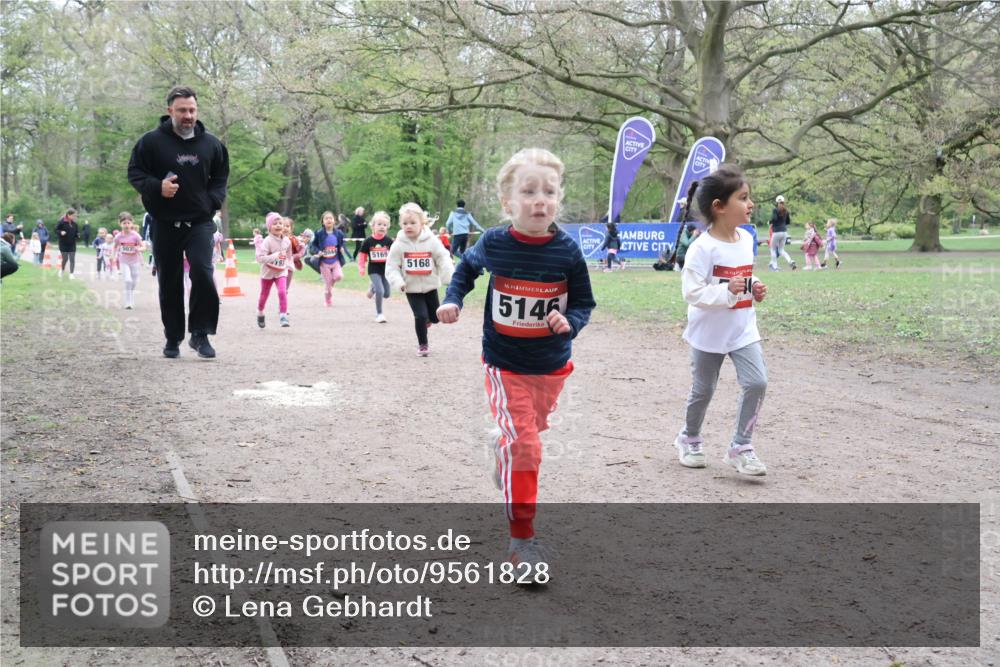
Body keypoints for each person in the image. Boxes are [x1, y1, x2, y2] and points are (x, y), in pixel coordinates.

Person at [437, 148, 596, 571]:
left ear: (559, 198)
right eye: (528, 191)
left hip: (552, 364)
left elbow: (584, 302)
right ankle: (521, 541)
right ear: (508, 203)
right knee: (527, 447)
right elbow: (465, 271)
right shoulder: (494, 243)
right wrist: (453, 300)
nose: (540, 199)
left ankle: (501, 442)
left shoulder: (567, 252)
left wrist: (570, 322)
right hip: (505, 363)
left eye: (549, 191)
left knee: (528, 433)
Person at [673, 164, 769, 477]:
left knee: (757, 382)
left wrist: (753, 286)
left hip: (742, 328)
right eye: (743, 198)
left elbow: (741, 275)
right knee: (703, 391)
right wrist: (726, 292)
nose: (750, 204)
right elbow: (692, 292)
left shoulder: (745, 239)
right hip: (708, 333)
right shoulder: (701, 248)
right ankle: (689, 438)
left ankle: (741, 447)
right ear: (720, 207)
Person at [127, 85, 229, 359]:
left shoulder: (212, 144)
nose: (188, 115)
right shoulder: (150, 142)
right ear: (169, 110)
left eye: (192, 110)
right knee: (169, 281)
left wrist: (211, 202)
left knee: (203, 272)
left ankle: (201, 334)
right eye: (182, 110)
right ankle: (173, 337)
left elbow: (220, 179)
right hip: (164, 222)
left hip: (199, 222)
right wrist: (156, 187)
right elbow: (135, 173)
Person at [386, 202, 454, 356]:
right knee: (420, 316)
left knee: (435, 318)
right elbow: (391, 267)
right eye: (405, 223)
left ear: (422, 223)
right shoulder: (398, 244)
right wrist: (399, 282)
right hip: (411, 288)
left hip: (430, 286)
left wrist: (447, 276)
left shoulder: (432, 240)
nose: (408, 226)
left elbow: (442, 258)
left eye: (412, 223)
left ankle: (428, 321)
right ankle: (423, 345)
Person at [255, 214, 292, 328]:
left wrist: (289, 264)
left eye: (280, 223)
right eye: (275, 224)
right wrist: (275, 255)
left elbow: (288, 255)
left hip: (281, 271)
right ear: (269, 227)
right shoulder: (267, 241)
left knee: (282, 291)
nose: (278, 226)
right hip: (268, 273)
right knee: (264, 295)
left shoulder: (287, 241)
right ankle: (260, 312)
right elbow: (260, 258)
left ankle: (283, 315)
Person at [358, 211, 394, 323]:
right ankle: (379, 314)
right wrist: (362, 267)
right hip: (374, 269)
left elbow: (394, 254)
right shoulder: (368, 241)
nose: (382, 227)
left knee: (387, 294)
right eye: (379, 224)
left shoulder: (389, 241)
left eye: (384, 225)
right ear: (373, 226)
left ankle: (372, 288)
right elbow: (362, 255)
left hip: (386, 270)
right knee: (380, 290)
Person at [310, 210, 350, 307]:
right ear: (322, 221)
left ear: (334, 221)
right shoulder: (319, 233)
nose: (328, 220)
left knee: (338, 276)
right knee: (328, 283)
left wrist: (341, 248)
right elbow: (313, 246)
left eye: (330, 218)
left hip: (335, 261)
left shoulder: (339, 233)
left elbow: (341, 242)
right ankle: (328, 298)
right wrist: (318, 251)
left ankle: (328, 289)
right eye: (326, 218)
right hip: (324, 262)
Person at [114, 212, 145, 309]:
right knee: (128, 280)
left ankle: (130, 294)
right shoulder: (118, 236)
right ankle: (128, 302)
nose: (126, 225)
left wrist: (138, 249)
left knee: (134, 281)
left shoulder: (135, 235)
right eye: (124, 223)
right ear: (120, 224)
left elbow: (143, 246)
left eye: (128, 223)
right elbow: (115, 247)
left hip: (134, 261)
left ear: (132, 223)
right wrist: (112, 256)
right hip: (124, 261)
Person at [768, 195, 796, 271]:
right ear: (783, 202)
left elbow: (774, 218)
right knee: (781, 250)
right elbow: (788, 222)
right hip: (784, 232)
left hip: (776, 232)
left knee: (773, 249)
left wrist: (770, 221)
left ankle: (775, 267)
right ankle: (790, 261)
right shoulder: (786, 210)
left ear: (777, 202)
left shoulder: (775, 210)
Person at [55, 208, 80, 279]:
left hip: (72, 244)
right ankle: (62, 270)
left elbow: (76, 232)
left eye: (75, 216)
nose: (74, 217)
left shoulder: (74, 223)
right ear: (69, 215)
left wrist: (78, 235)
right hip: (63, 244)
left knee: (72, 259)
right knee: (65, 259)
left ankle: (71, 274)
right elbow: (56, 230)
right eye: (73, 215)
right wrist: (61, 232)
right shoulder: (61, 222)